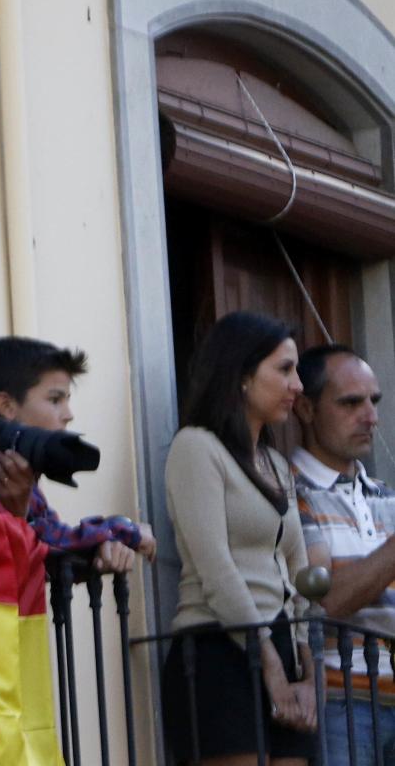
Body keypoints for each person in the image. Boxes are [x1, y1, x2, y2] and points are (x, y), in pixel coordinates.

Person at [162, 311, 316, 763]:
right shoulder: (196, 447)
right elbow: (215, 565)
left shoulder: (277, 464)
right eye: (284, 369)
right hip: (218, 652)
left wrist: (305, 666)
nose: (298, 385)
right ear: (243, 375)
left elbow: (299, 570)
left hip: (280, 649)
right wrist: (266, 659)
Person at [290, 344, 395, 762]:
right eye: (351, 403)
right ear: (305, 408)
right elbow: (320, 602)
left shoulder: (386, 497)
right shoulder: (288, 492)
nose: (370, 416)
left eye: (374, 401)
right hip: (340, 701)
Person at [0, 336, 156, 572]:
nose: (69, 414)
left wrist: (103, 544)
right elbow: (46, 539)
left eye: (67, 400)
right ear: (7, 406)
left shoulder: (18, 464)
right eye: (55, 399)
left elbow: (51, 536)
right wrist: (124, 530)